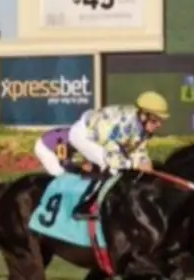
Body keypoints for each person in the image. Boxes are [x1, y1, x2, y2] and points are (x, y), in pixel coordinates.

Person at [66, 91, 171, 219]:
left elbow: (137, 149)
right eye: (155, 120)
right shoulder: (124, 124)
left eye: (161, 121)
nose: (159, 124)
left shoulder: (141, 125)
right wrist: (135, 164)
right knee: (111, 167)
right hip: (83, 135)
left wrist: (144, 160)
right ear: (143, 115)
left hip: (104, 139)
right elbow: (112, 158)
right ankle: (85, 206)